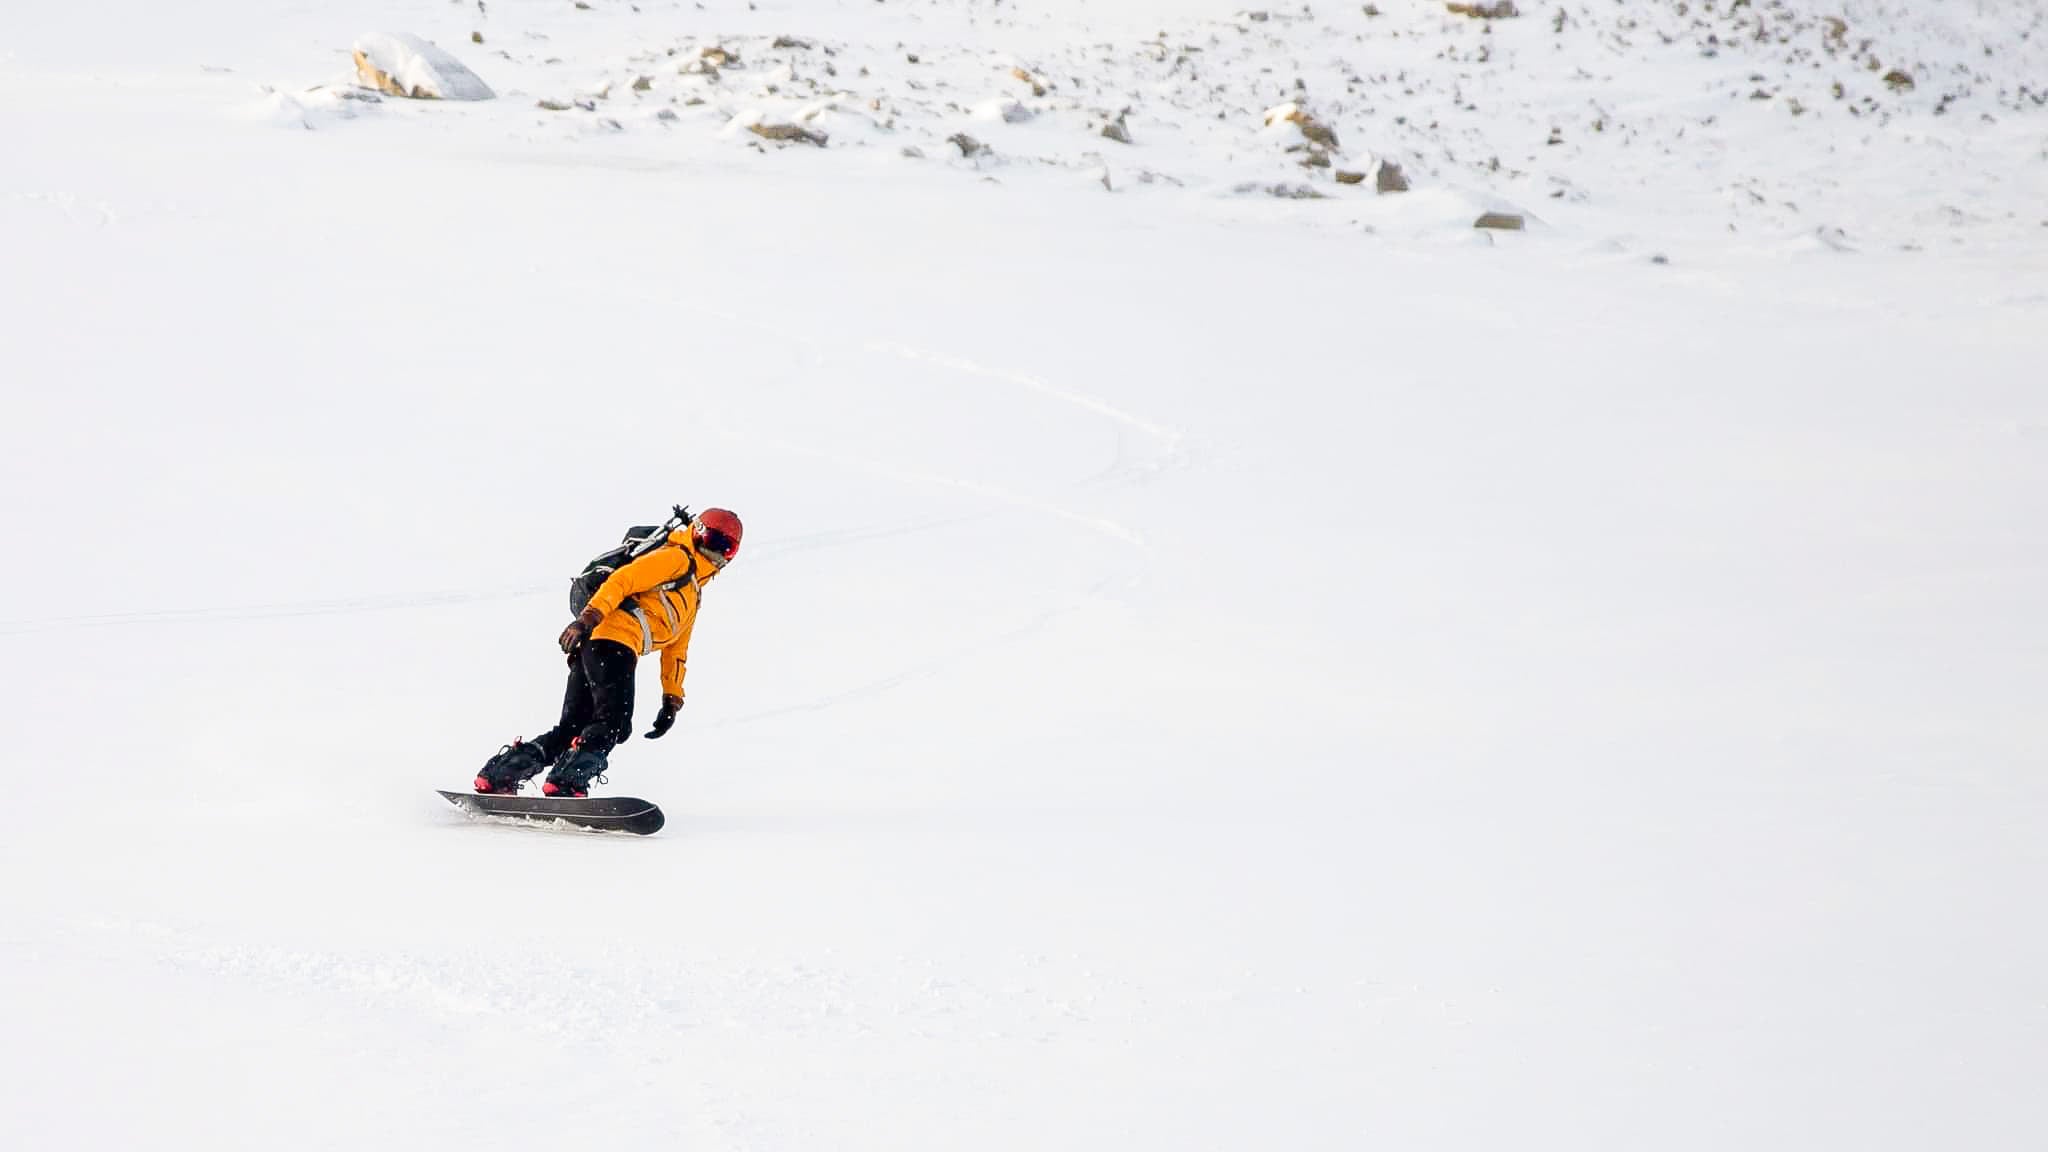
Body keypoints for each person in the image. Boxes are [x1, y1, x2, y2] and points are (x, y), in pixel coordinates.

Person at [474, 508, 744, 797]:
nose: (717, 551)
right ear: (698, 531)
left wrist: (672, 698)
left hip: (597, 644)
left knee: (573, 728)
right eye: (713, 539)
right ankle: (567, 782)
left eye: (727, 547)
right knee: (613, 723)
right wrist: (586, 619)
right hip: (612, 641)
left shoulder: (692, 592)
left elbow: (677, 648)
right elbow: (622, 580)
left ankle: (501, 774)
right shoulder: (676, 557)